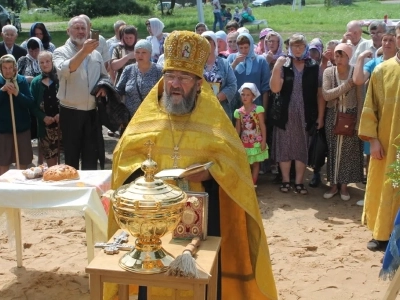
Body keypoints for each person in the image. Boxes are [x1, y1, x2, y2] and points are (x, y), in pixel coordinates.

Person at [105, 30, 277, 300]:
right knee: (152, 281)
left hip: (201, 218)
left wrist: (211, 171)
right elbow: (123, 158)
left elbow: (235, 164)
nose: (175, 83)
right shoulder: (146, 118)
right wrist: (146, 172)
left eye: (184, 78)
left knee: (202, 280)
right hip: (154, 222)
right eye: (171, 76)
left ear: (199, 84)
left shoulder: (214, 121)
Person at [357, 25, 400, 252]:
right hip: (386, 143)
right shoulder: (382, 71)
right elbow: (370, 108)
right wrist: (372, 140)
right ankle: (382, 234)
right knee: (386, 186)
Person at [52, 16, 108, 170]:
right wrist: (84, 52)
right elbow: (66, 70)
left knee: (91, 157)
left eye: (83, 28)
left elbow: (104, 76)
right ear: (68, 31)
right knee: (71, 158)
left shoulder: (96, 54)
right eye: (76, 28)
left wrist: (103, 87)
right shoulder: (59, 52)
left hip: (92, 112)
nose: (81, 31)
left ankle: (90, 190)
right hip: (71, 113)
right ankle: (72, 191)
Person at [270, 34, 323, 195]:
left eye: (300, 46)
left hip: (306, 114)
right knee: (285, 147)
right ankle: (286, 180)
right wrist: (276, 67)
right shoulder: (284, 64)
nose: (298, 49)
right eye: (294, 46)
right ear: (290, 48)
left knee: (302, 148)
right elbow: (275, 89)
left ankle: (299, 182)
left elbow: (319, 93)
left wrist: (320, 116)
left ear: (305, 47)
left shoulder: (313, 66)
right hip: (285, 114)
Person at [353, 28, 397, 207]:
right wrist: (362, 58)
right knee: (374, 160)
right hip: (377, 122)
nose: (386, 43)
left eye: (390, 40)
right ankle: (372, 197)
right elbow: (357, 80)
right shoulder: (376, 64)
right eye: (384, 40)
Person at [322, 43, 363, 201]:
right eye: (336, 56)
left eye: (342, 56)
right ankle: (333, 185)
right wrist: (347, 85)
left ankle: (344, 186)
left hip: (351, 115)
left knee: (348, 152)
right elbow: (326, 95)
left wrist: (359, 122)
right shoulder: (328, 72)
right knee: (332, 151)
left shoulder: (355, 72)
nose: (338, 59)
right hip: (333, 115)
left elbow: (360, 99)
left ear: (349, 56)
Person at [0, 54, 34, 175]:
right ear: (1, 68)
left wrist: (16, 93)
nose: (8, 71)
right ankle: (3, 190)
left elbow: (29, 102)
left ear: (15, 68)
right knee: (3, 162)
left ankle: (20, 189)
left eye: (10, 67)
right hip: (3, 130)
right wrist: (2, 91)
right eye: (5, 67)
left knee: (23, 162)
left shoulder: (21, 80)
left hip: (21, 129)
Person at [115, 40, 163, 119]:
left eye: (144, 52)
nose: (140, 55)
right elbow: (118, 91)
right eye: (137, 52)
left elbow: (164, 95)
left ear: (150, 54)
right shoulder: (128, 69)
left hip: (151, 119)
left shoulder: (158, 70)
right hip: (130, 119)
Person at [30, 51, 61, 167]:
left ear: (52, 62)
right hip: (45, 127)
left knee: (67, 157)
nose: (45, 64)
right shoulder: (35, 82)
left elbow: (68, 99)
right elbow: (32, 105)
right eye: (41, 62)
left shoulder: (61, 78)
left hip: (62, 125)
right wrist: (43, 117)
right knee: (50, 159)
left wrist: (61, 114)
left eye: (47, 61)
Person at [227, 33, 270, 115]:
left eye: (246, 47)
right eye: (241, 48)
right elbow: (225, 77)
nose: (243, 51)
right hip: (236, 103)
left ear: (251, 46)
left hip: (256, 103)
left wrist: (264, 111)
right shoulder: (232, 58)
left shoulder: (261, 61)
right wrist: (235, 63)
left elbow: (265, 88)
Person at [234, 82, 268, 185]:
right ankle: (246, 183)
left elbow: (262, 125)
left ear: (253, 96)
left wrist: (263, 141)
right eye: (243, 94)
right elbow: (238, 129)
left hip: (256, 141)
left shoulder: (258, 110)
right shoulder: (238, 112)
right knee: (245, 163)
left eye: (248, 95)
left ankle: (253, 184)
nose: (245, 97)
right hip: (244, 142)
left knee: (255, 163)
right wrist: (236, 142)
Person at [201, 31, 237, 119]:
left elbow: (232, 85)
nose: (206, 46)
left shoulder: (224, 63)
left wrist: (218, 97)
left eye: (209, 42)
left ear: (214, 44)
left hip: (221, 108)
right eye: (203, 43)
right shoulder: (196, 64)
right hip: (201, 108)